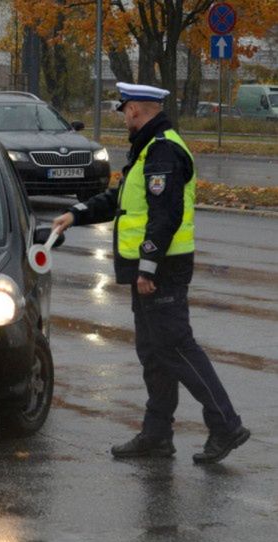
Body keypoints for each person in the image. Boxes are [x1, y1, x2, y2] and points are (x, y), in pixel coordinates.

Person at [52, 82, 249, 464]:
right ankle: (157, 435)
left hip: (161, 270)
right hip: (151, 269)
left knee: (176, 347)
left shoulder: (163, 151)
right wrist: (76, 214)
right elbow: (121, 201)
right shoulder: (147, 150)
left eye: (124, 110)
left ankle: (225, 424)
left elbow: (165, 215)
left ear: (136, 110)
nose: (123, 117)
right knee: (155, 353)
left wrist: (148, 267)